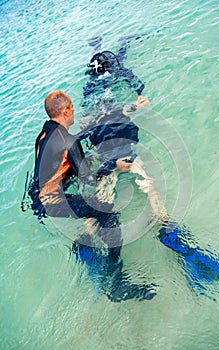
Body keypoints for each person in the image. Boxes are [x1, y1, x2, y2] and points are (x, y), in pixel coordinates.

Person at [28, 90, 157, 302]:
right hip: (51, 202)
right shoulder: (68, 141)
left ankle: (83, 244)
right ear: (65, 110)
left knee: (93, 208)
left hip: (37, 200)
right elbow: (89, 179)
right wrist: (114, 165)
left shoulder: (43, 135)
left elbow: (50, 169)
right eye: (72, 109)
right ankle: (117, 283)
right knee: (109, 214)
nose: (74, 114)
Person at [78, 97, 166, 221]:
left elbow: (75, 139)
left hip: (110, 164)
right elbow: (142, 103)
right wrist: (140, 99)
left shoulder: (93, 124)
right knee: (149, 188)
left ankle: (89, 231)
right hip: (129, 158)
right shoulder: (121, 111)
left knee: (100, 202)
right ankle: (162, 218)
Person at [80, 35, 146, 117]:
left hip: (109, 64)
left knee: (105, 58)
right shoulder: (117, 71)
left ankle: (102, 44)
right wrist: (139, 93)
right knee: (120, 54)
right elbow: (132, 79)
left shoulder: (95, 77)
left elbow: (87, 93)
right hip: (109, 65)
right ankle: (122, 41)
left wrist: (86, 113)